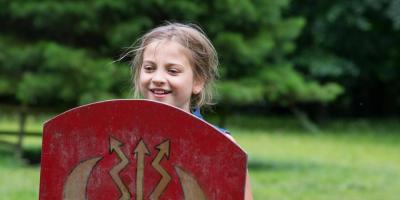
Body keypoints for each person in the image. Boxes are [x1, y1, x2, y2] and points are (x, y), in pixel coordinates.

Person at [128, 22, 253, 200]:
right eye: (149, 68)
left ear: (198, 82)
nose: (157, 78)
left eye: (172, 71)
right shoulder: (119, 138)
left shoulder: (221, 145)